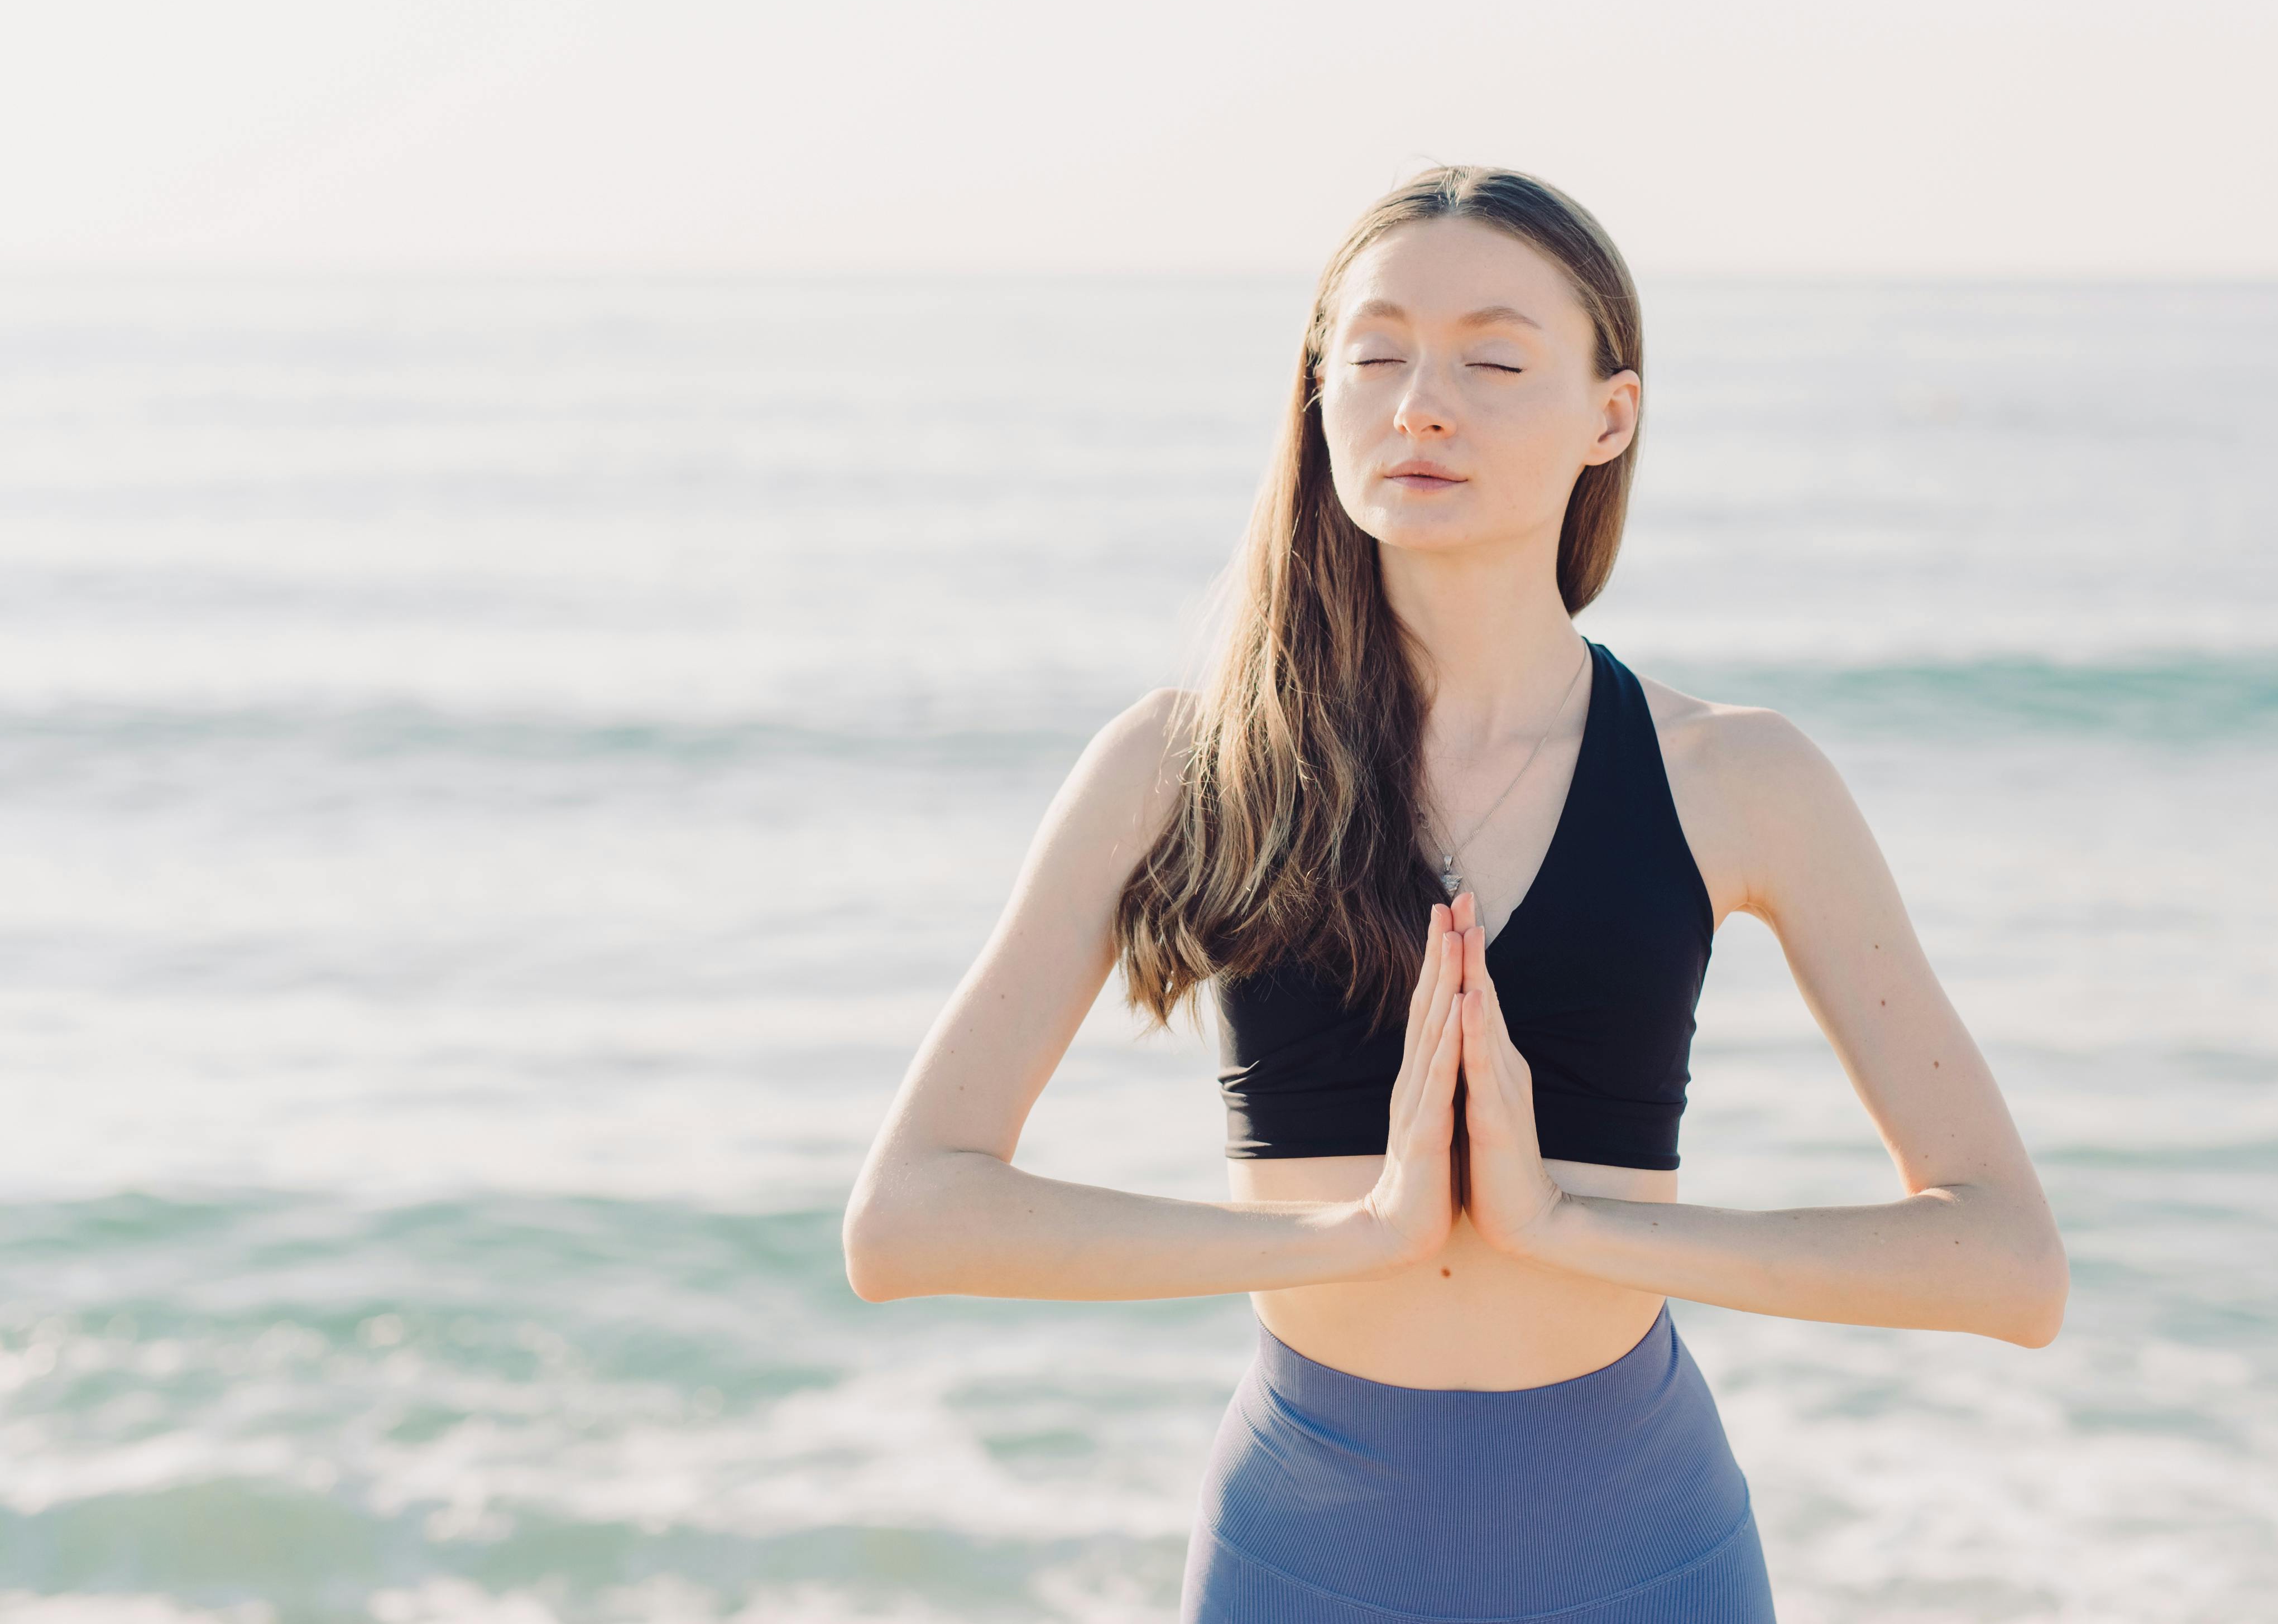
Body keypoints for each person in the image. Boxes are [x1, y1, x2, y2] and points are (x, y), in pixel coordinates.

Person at [840, 166, 2068, 1622]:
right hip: (1306, 1552)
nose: (1421, 401)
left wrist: (1573, 1226)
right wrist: (1338, 1240)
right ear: (1317, 393)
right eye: (1372, 354)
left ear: (1609, 414)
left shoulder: (1734, 776)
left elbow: (2004, 1261)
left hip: (1638, 1542)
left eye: (1493, 359)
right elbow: (906, 1219)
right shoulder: (1181, 763)